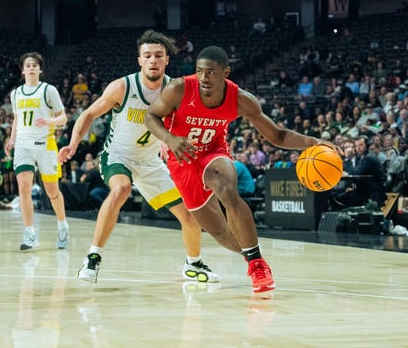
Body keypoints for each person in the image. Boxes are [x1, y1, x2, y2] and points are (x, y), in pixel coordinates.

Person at [144, 45, 340, 294]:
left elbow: (277, 135)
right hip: (182, 159)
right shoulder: (179, 88)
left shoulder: (241, 99)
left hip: (214, 152)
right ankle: (250, 256)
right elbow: (151, 116)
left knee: (226, 188)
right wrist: (170, 139)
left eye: (212, 72)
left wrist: (311, 142)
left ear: (226, 72)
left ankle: (257, 265)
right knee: (217, 230)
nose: (204, 78)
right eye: (200, 71)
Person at [58, 29, 220, 284]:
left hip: (150, 162)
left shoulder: (176, 89)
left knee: (190, 215)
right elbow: (88, 114)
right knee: (121, 188)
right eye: (148, 55)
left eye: (158, 55)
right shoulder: (122, 86)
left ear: (167, 59)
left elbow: (186, 124)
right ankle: (93, 258)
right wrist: (73, 144)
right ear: (139, 60)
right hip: (118, 155)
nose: (153, 60)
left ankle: (193, 264)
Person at [5, 52, 70, 251]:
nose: (31, 68)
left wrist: (50, 121)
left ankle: (62, 224)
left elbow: (63, 118)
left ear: (40, 69)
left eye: (35, 65)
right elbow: (16, 119)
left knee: (52, 191)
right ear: (23, 70)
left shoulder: (48, 90)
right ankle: (29, 232)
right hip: (23, 145)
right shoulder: (16, 93)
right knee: (23, 188)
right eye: (28, 65)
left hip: (45, 144)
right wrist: (12, 139)